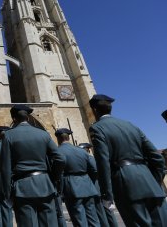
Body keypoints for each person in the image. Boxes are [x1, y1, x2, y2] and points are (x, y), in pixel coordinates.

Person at [89, 94, 167, 226]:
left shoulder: (97, 128)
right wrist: (154, 181)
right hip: (150, 182)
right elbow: (157, 157)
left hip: (126, 185)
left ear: (94, 110)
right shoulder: (130, 125)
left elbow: (103, 162)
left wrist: (107, 194)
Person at [1, 104, 66, 227]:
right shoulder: (43, 134)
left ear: (14, 119)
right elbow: (60, 158)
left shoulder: (8, 135)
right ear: (29, 118)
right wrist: (52, 178)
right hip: (45, 184)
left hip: (23, 187)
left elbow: (6, 167)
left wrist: (7, 192)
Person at [55, 129, 99, 227]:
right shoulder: (82, 151)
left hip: (71, 188)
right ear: (69, 137)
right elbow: (94, 169)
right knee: (94, 220)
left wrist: (60, 191)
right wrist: (88, 181)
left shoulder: (58, 152)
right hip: (87, 186)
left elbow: (58, 174)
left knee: (80, 221)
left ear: (58, 138)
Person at [78, 142, 118, 227]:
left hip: (97, 188)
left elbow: (95, 171)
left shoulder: (89, 158)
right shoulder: (91, 158)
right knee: (106, 212)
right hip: (100, 188)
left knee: (102, 213)